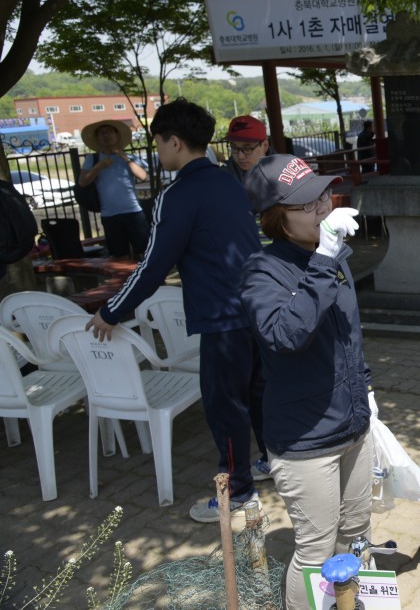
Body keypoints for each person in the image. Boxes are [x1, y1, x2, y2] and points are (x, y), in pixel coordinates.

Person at [84, 98, 270, 523]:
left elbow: (152, 266)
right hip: (256, 306)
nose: (159, 151)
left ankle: (238, 492)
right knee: (257, 394)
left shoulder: (179, 193)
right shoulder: (228, 182)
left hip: (223, 316)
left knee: (225, 406)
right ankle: (267, 464)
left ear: (174, 141)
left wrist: (110, 311)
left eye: (159, 143)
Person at [239, 154, 372, 609]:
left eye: (323, 195)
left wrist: (366, 395)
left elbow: (349, 337)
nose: (322, 208)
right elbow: (286, 335)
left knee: (357, 533)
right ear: (277, 218)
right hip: (305, 439)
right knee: (315, 550)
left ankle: (358, 602)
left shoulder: (332, 256)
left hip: (353, 425)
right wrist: (324, 258)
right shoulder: (262, 271)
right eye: (306, 204)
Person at [79, 119, 150, 259]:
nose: (106, 136)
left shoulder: (128, 157)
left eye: (110, 132)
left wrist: (126, 159)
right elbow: (82, 182)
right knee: (119, 256)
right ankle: (126, 281)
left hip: (133, 211)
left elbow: (142, 176)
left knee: (145, 252)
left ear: (117, 136)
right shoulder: (92, 159)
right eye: (102, 133)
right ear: (97, 139)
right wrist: (99, 167)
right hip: (109, 214)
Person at [224, 115, 270, 185]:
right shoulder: (223, 175)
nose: (240, 156)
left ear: (265, 146)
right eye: (234, 148)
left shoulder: (284, 173)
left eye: (247, 149)